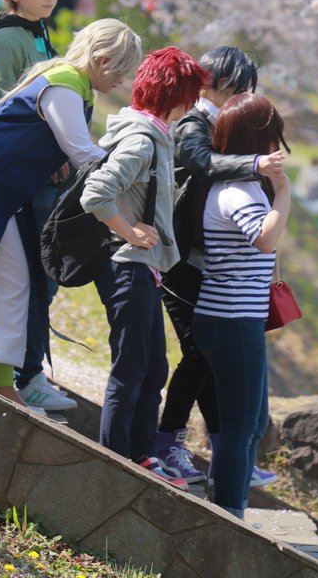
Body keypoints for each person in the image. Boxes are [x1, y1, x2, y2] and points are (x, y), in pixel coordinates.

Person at [0, 19, 143, 403]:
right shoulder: (66, 84)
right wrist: (136, 177)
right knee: (2, 276)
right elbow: (84, 154)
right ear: (103, 60)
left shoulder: (69, 82)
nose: (122, 82)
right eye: (121, 71)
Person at [79, 47, 210, 487]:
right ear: (175, 96)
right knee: (131, 369)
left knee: (153, 369)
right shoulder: (142, 140)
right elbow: (96, 193)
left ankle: (141, 455)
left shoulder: (155, 134)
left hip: (144, 268)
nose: (191, 106)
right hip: (128, 266)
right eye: (189, 96)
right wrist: (130, 232)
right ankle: (114, 463)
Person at [156, 46, 286, 488]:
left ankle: (227, 455)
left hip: (203, 263)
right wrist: (255, 163)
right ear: (217, 82)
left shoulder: (222, 123)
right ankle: (168, 443)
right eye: (240, 86)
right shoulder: (194, 123)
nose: (243, 95)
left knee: (207, 359)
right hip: (178, 264)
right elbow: (201, 162)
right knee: (198, 355)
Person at [0, 0, 75, 412]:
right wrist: (38, 152)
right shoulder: (8, 39)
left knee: (43, 277)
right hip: (20, 178)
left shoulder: (37, 32)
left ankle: (31, 371)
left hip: (42, 174)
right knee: (30, 278)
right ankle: (25, 374)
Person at [192, 91, 291, 519]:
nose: (278, 146)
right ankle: (229, 515)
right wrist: (283, 191)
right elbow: (265, 239)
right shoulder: (237, 190)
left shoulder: (240, 186)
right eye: (273, 136)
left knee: (249, 423)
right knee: (240, 426)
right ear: (258, 139)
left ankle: (230, 507)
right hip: (231, 318)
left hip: (232, 317)